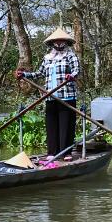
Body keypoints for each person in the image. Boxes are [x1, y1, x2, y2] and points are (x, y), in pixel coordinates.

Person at [15, 27, 80, 160]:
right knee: (51, 125)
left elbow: (77, 70)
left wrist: (71, 76)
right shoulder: (48, 58)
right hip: (50, 96)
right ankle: (52, 153)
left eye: (61, 41)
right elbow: (39, 73)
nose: (59, 43)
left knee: (66, 125)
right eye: (56, 41)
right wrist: (25, 75)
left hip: (66, 96)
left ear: (66, 42)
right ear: (52, 43)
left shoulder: (71, 55)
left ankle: (66, 152)